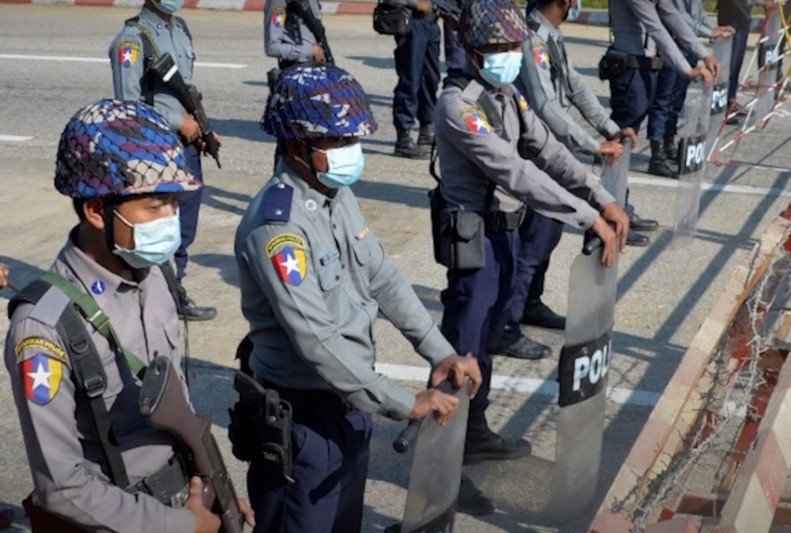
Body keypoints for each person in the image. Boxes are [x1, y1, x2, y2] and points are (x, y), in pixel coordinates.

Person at [235, 63, 483, 531]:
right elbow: (317, 341)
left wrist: (439, 351)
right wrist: (404, 403)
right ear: (295, 146)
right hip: (304, 422)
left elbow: (383, 277)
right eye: (339, 141)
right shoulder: (277, 227)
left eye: (354, 139)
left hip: (353, 405)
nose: (352, 151)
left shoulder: (334, 193)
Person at [5, 99, 252, 532]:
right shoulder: (44, 327)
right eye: (155, 208)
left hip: (186, 497)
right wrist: (179, 526)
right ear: (97, 210)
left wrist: (218, 489)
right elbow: (62, 486)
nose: (170, 221)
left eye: (174, 204)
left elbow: (180, 405)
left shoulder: (155, 274)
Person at [434, 0, 629, 471]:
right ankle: (443, 462)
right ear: (476, 50)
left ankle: (473, 432)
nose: (509, 54)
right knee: (465, 343)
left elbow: (548, 149)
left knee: (490, 338)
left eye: (513, 45)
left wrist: (603, 197)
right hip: (473, 238)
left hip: (505, 235)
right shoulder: (460, 106)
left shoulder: (507, 95)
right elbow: (517, 172)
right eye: (498, 46)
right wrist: (588, 216)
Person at [500, 0, 657, 359]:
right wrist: (592, 144)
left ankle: (531, 302)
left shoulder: (550, 36)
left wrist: (611, 128)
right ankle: (507, 325)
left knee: (550, 233)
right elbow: (545, 105)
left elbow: (574, 86)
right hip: (536, 153)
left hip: (555, 154)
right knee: (534, 240)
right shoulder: (530, 39)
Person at [110, 0, 217, 321]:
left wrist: (202, 127)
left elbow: (185, 89)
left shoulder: (181, 29)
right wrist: (176, 120)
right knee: (159, 223)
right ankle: (163, 295)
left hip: (185, 145)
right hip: (154, 147)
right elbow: (128, 104)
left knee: (185, 223)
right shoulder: (131, 40)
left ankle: (174, 286)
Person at [605, 0, 720, 177]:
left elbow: (673, 18)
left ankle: (615, 167)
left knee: (636, 119)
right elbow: (655, 27)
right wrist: (687, 69)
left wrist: (704, 54)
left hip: (647, 63)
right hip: (629, 65)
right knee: (629, 118)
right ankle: (609, 164)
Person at [645, 2, 734, 176]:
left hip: (689, 48)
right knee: (663, 101)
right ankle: (657, 156)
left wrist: (714, 27)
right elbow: (678, 19)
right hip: (671, 49)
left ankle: (669, 145)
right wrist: (709, 32)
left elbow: (698, 14)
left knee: (677, 101)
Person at [387, 0, 441, 158]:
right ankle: (403, 140)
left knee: (430, 80)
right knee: (410, 81)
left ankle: (426, 132)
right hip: (412, 24)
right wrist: (414, 2)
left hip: (432, 23)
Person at [264, 0, 328, 69]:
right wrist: (309, 52)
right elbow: (272, 47)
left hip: (318, 67)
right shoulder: (279, 2)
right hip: (295, 70)